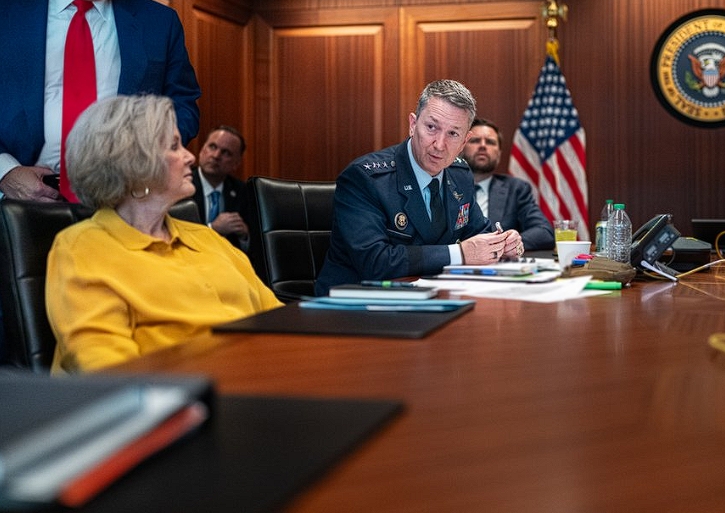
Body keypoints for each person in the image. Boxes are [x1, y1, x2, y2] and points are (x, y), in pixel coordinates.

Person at [45, 95, 281, 373]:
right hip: (177, 393)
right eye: (174, 146)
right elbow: (106, 367)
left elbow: (279, 319)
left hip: (263, 377)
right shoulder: (82, 248)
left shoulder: (208, 238)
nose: (190, 157)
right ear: (134, 164)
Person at [0, 0, 200, 203]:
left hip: (124, 200)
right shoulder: (6, 6)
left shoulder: (159, 22)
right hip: (18, 200)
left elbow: (183, 105)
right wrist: (5, 172)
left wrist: (145, 157)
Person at [316, 80, 524, 293]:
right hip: (357, 301)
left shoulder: (460, 175)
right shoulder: (365, 178)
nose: (439, 145)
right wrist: (460, 254)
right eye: (432, 128)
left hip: (432, 296)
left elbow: (479, 233)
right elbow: (375, 261)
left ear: (464, 141)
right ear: (413, 125)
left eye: (453, 134)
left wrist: (503, 244)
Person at [462, 117, 554, 251]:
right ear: (461, 148)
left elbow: (544, 232)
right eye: (475, 141)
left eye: (490, 142)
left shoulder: (516, 189)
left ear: (499, 153)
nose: (483, 146)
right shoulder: (444, 184)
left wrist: (505, 245)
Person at [192, 125, 249, 249]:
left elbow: (252, 246)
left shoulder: (243, 192)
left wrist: (244, 236)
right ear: (202, 150)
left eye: (226, 153)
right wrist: (212, 229)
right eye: (212, 147)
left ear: (236, 163)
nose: (216, 156)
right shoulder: (182, 185)